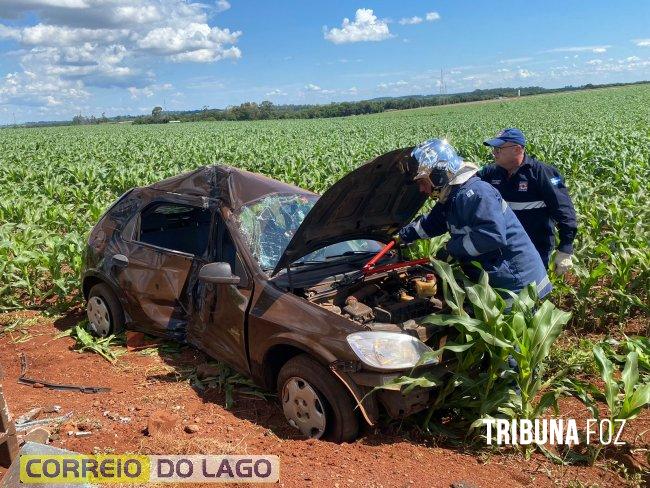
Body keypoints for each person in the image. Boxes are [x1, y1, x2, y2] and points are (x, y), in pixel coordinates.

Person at [398, 138, 551, 300]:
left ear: (438, 175)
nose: (421, 189)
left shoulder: (476, 193)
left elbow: (492, 236)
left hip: (517, 283)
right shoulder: (453, 196)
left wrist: (451, 249)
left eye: (423, 182)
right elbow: (430, 224)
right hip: (503, 277)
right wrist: (400, 236)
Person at [479, 128, 577, 274]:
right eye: (493, 149)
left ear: (517, 149)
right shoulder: (491, 173)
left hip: (535, 248)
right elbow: (467, 183)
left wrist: (565, 249)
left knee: (533, 291)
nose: (494, 153)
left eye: (499, 149)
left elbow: (564, 211)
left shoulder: (542, 173)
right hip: (503, 247)